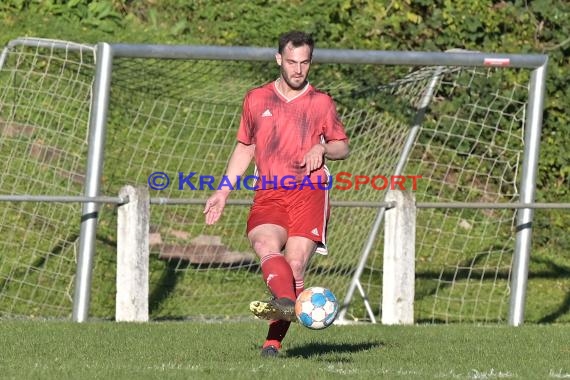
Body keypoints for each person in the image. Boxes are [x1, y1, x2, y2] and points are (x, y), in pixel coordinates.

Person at [203, 30, 349, 358]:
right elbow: (245, 147)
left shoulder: (321, 102)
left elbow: (342, 146)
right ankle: (287, 304)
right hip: (269, 193)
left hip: (310, 193)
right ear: (279, 59)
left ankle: (272, 343)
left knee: (295, 266)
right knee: (264, 243)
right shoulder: (256, 99)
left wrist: (322, 147)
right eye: (292, 62)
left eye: (305, 63)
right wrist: (223, 192)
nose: (299, 70)